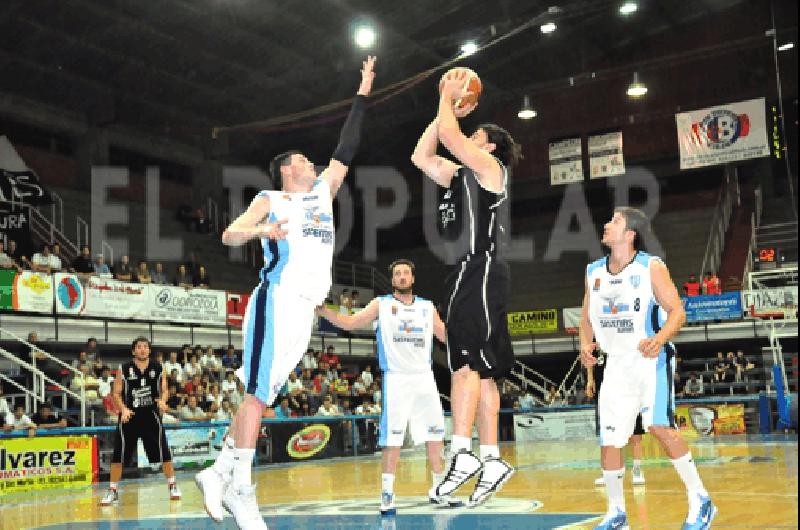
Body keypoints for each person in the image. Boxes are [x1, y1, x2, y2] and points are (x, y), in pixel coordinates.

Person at [195, 56, 376, 530]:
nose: (313, 163)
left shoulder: (321, 195)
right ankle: (242, 492)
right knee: (256, 395)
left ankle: (217, 473)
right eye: (305, 161)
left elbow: (348, 147)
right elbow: (230, 235)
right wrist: (263, 231)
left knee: (262, 397)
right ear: (287, 170)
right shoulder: (270, 200)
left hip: (306, 311)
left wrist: (364, 90)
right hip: (276, 301)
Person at [411, 69, 522, 506]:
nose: (467, 136)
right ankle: (491, 456)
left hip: (478, 269)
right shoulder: (455, 176)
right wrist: (446, 109)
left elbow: (453, 139)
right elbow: (422, 154)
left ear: (489, 144)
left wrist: (447, 97)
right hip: (475, 274)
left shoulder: (489, 169)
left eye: (476, 133)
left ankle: (462, 452)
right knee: (488, 373)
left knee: (464, 366)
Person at [579, 207, 715, 529]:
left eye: (614, 220)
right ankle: (617, 514)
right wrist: (586, 345)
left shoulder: (650, 267)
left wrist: (660, 337)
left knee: (659, 427)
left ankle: (701, 499)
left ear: (630, 235)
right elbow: (585, 319)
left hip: (650, 360)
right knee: (610, 441)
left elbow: (677, 312)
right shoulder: (594, 271)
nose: (606, 223)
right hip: (615, 366)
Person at [317, 258, 454, 514]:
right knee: (393, 440)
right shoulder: (381, 304)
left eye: (406, 273)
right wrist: (324, 311)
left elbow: (445, 336)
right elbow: (350, 323)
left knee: (435, 435)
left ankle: (439, 489)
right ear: (393, 280)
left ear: (412, 279)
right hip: (397, 378)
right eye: (398, 274)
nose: (402, 277)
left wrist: (472, 333)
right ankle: (388, 494)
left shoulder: (427, 307)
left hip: (424, 377)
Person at [100, 337, 180, 505]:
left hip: (151, 415)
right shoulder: (124, 369)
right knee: (119, 455)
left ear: (149, 351)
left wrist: (164, 401)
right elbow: (116, 393)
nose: (142, 349)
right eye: (139, 347)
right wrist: (122, 409)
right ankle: (112, 490)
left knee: (164, 451)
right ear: (133, 351)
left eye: (145, 347)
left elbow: (164, 390)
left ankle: (172, 485)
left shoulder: (158, 368)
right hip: (129, 415)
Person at [586, 348, 647, 487]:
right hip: (605, 392)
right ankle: (609, 471)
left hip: (629, 390)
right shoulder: (597, 338)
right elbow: (588, 357)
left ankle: (637, 469)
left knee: (635, 433)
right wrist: (590, 379)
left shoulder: (625, 336)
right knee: (608, 434)